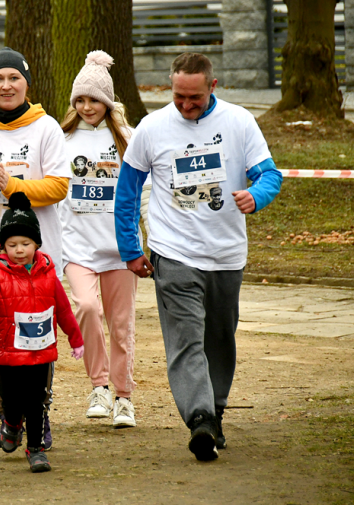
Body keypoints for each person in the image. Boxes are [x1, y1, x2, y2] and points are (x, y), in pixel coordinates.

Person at [115, 52, 282, 461]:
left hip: (226, 254)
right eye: (178, 97)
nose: (186, 105)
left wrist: (255, 196)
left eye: (194, 98)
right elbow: (127, 192)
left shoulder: (240, 122)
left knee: (219, 339)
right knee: (187, 340)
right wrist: (131, 249)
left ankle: (216, 408)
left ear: (213, 86)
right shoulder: (152, 128)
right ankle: (200, 419)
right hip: (174, 253)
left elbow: (270, 174)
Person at [0, 47, 73, 451]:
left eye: (13, 78)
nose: (5, 86)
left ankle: (38, 414)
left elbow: (59, 186)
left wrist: (13, 187)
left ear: (27, 82)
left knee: (36, 338)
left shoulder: (46, 129)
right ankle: (6, 416)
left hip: (36, 260)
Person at [0, 192, 83, 473]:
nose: (19, 250)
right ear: (2, 247)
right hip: (10, 354)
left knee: (36, 401)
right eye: (12, 244)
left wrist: (75, 339)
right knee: (12, 399)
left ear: (36, 244)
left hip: (41, 352)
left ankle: (36, 449)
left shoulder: (48, 272)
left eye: (25, 244)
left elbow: (63, 309)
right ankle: (12, 425)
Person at [58, 50, 140, 427]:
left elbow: (147, 190)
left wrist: (144, 242)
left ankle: (123, 397)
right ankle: (99, 387)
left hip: (120, 250)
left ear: (107, 101)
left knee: (121, 325)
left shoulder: (127, 138)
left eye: (94, 99)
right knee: (87, 308)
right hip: (77, 248)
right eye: (81, 99)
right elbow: (55, 192)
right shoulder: (62, 138)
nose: (87, 106)